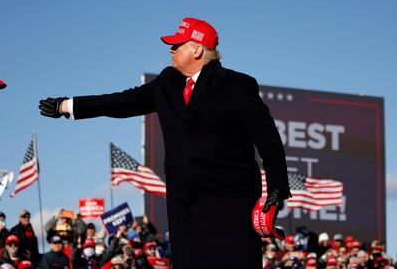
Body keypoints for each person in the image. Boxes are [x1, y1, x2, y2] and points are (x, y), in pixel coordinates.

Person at [39, 17, 291, 269]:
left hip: (230, 205)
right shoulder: (167, 82)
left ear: (197, 49)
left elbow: (268, 139)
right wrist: (67, 105)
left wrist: (277, 190)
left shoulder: (237, 85)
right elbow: (122, 102)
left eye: (177, 44)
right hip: (185, 207)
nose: (171, 49)